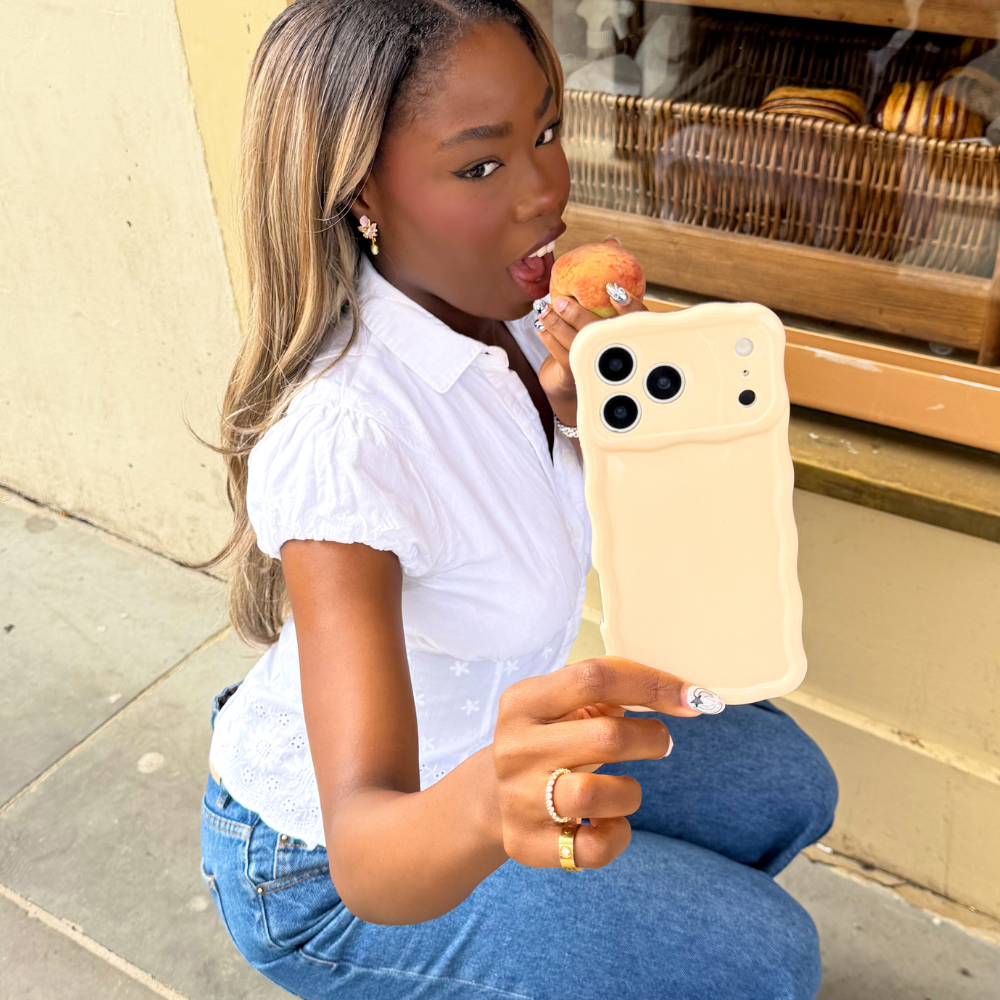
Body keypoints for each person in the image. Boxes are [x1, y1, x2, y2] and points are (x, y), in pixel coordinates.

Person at [200, 2, 838, 997]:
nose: (545, 192)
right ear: (363, 190)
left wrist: (596, 425)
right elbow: (368, 851)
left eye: (547, 131)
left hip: (492, 726)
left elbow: (611, 528)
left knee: (784, 787)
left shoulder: (525, 317)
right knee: (766, 956)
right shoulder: (348, 440)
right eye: (481, 165)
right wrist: (493, 798)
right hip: (323, 865)